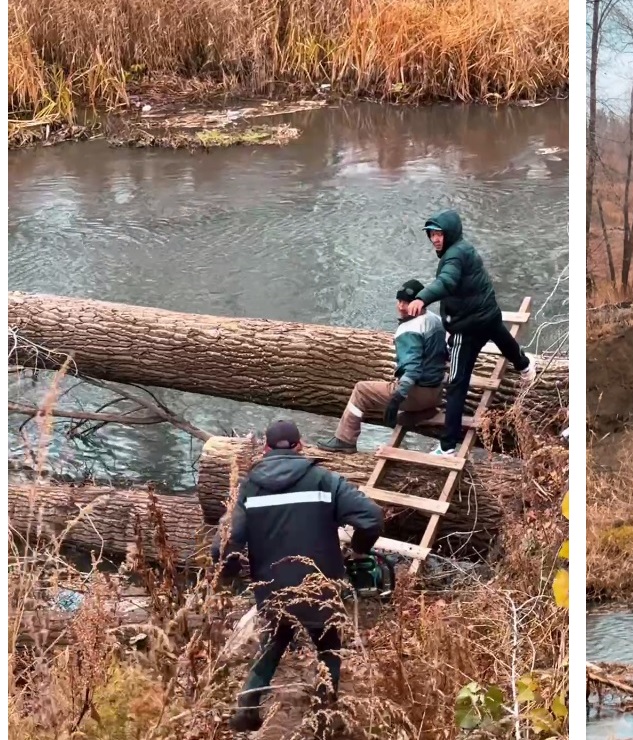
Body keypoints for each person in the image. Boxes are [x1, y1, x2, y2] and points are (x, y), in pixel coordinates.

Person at [213, 420, 384, 731]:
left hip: (273, 589)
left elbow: (225, 542)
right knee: (328, 647)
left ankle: (246, 710)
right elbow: (371, 517)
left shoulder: (249, 488)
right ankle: (323, 715)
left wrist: (231, 574)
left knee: (273, 644)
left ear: (265, 448)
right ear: (300, 446)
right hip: (320, 587)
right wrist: (359, 550)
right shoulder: (323, 480)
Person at [400, 209, 538, 455]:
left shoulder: (452, 258)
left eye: (440, 234)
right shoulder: (465, 249)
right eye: (432, 234)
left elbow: (447, 282)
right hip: (488, 313)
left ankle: (448, 445)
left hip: (468, 327)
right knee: (504, 340)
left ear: (450, 234)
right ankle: (525, 366)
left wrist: (422, 297)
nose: (435, 239)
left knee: (456, 384)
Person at [318, 279, 449, 453]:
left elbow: (413, 369)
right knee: (400, 410)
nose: (401, 307)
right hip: (437, 391)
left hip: (417, 393)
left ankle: (345, 439)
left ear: (418, 303)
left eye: (407, 302)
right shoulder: (435, 320)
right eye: (399, 301)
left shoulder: (410, 329)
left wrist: (397, 397)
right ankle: (424, 412)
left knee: (361, 390)